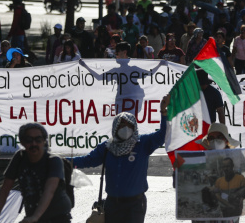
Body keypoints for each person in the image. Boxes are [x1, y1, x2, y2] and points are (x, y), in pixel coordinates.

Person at [66, 95, 170, 223]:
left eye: (129, 124)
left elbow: (163, 134)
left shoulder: (142, 143)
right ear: (115, 128)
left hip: (135, 205)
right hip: (112, 205)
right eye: (121, 125)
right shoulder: (107, 147)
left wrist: (164, 112)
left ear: (134, 127)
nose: (125, 128)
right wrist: (61, 161)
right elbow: (87, 160)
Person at [0, 123, 72, 223]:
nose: (34, 144)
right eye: (29, 140)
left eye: (38, 139)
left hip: (57, 217)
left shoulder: (54, 160)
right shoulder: (19, 158)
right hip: (32, 215)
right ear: (22, 142)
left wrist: (35, 217)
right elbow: (5, 189)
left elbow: (49, 191)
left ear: (44, 141)